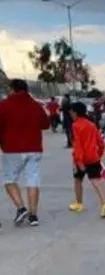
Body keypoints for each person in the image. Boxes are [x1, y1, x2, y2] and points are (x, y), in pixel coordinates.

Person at [0, 79, 50, 226]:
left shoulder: (4, 105)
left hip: (12, 149)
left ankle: (21, 208)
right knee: (33, 180)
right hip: (34, 148)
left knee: (10, 180)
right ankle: (33, 216)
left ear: (12, 89)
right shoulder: (35, 105)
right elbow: (45, 124)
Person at [68, 102, 105, 218]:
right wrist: (99, 154)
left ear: (75, 112)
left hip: (81, 158)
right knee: (96, 180)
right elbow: (101, 142)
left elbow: (77, 145)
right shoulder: (91, 124)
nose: (70, 114)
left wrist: (79, 161)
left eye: (71, 112)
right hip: (93, 157)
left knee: (78, 179)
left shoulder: (76, 125)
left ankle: (79, 203)